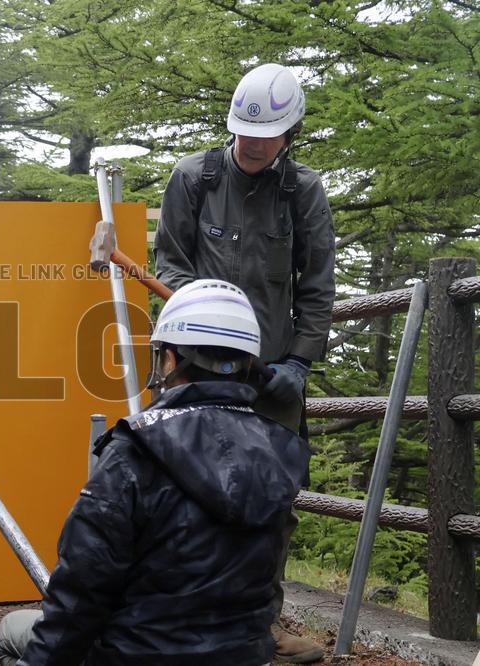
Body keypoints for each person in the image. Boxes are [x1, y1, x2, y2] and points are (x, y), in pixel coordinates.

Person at [0, 280, 310, 666]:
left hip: (135, 655)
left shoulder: (136, 450)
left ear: (171, 360)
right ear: (246, 364)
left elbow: (81, 593)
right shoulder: (278, 451)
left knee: (11, 630)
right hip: (243, 656)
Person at [153, 63, 335, 662]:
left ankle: (261, 626)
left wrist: (302, 361)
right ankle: (171, 618)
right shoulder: (194, 178)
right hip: (198, 367)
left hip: (272, 375)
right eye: (245, 131)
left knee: (272, 503)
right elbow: (171, 266)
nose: (254, 143)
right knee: (177, 489)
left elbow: (316, 287)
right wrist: (209, 315)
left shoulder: (302, 192)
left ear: (290, 133)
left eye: (268, 133)